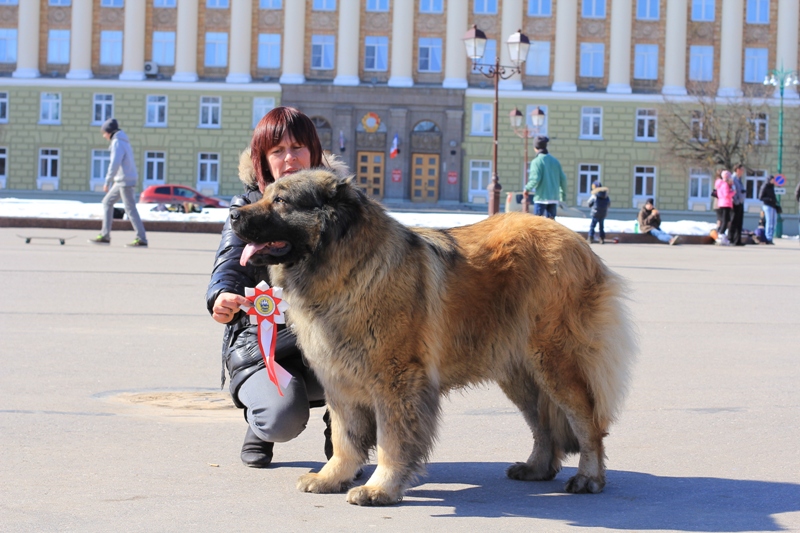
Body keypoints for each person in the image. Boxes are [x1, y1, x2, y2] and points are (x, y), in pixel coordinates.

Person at [206, 107, 349, 468]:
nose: (290, 159)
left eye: (298, 147)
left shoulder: (340, 205)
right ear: (263, 161)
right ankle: (261, 418)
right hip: (266, 345)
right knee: (280, 417)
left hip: (333, 343)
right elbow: (229, 262)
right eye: (277, 151)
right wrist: (222, 296)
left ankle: (344, 432)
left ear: (314, 151)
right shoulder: (248, 208)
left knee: (376, 372)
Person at [89, 118, 148, 247]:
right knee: (107, 202)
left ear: (109, 132)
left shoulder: (117, 142)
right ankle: (105, 235)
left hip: (124, 180)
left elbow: (115, 163)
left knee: (130, 209)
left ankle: (141, 238)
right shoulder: (123, 141)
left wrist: (107, 180)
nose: (104, 136)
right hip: (124, 179)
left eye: (104, 133)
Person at [523, 135, 567, 219]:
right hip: (553, 197)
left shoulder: (536, 162)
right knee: (551, 224)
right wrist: (562, 195)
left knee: (537, 224)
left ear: (535, 147)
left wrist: (527, 189)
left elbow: (535, 179)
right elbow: (563, 179)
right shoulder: (555, 161)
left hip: (541, 197)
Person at [714, 170, 735, 245]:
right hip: (726, 203)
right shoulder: (725, 184)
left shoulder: (721, 184)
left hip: (722, 203)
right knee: (725, 220)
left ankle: (721, 235)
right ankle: (721, 234)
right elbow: (726, 195)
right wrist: (733, 192)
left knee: (725, 220)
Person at [587, 180, 610, 244]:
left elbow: (589, 203)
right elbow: (609, 204)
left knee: (592, 226)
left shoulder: (594, 195)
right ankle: (602, 238)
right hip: (603, 213)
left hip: (595, 213)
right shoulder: (606, 195)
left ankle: (590, 238)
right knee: (601, 226)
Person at [728, 164, 746, 246]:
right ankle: (731, 239)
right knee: (733, 221)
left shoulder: (739, 179)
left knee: (739, 222)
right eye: (742, 170)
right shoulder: (733, 178)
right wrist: (736, 200)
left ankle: (737, 240)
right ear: (737, 170)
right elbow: (733, 191)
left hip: (740, 202)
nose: (743, 171)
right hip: (735, 203)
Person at [758, 175, 779, 245]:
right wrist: (769, 199)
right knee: (769, 222)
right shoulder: (765, 186)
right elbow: (760, 197)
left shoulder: (772, 186)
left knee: (774, 222)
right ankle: (768, 237)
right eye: (772, 180)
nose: (773, 181)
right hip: (767, 205)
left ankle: (771, 237)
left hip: (773, 206)